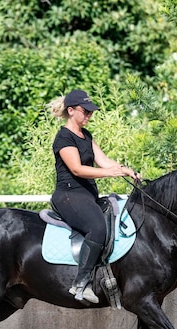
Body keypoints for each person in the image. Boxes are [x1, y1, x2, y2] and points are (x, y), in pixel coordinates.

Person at [48, 89, 140, 304]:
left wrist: (126, 170)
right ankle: (80, 283)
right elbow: (78, 169)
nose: (89, 115)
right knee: (97, 228)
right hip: (68, 196)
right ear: (71, 111)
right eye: (85, 111)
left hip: (87, 196)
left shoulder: (86, 136)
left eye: (91, 112)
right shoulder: (64, 137)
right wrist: (110, 173)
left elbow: (105, 162)